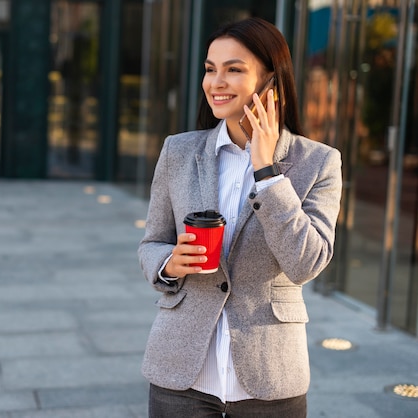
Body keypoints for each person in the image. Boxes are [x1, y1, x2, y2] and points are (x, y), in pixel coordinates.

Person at [138, 17, 342, 418]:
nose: (216, 82)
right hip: (180, 375)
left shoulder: (318, 162)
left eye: (234, 70)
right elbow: (151, 242)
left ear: (271, 82)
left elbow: (306, 263)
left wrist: (267, 172)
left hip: (270, 378)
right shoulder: (178, 152)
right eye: (210, 69)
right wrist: (167, 264)